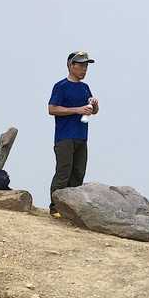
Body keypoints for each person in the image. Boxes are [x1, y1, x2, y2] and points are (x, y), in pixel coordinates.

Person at [48, 50, 99, 214]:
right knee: (63, 172)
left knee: (78, 173)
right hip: (64, 137)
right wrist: (77, 110)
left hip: (81, 137)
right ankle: (55, 208)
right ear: (71, 66)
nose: (84, 70)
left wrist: (94, 105)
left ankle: (71, 210)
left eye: (86, 66)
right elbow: (52, 109)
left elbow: (93, 111)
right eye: (81, 66)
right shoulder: (61, 86)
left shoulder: (85, 88)